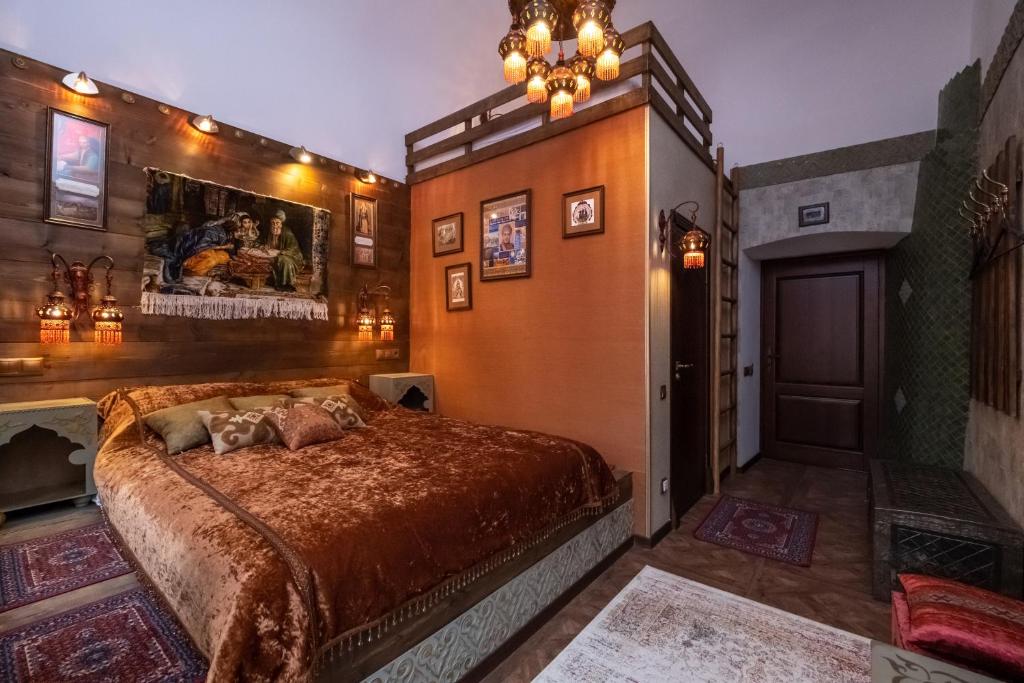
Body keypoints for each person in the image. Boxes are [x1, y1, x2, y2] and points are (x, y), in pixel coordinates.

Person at [163, 213, 241, 282]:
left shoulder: (223, 233)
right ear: (232, 231)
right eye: (236, 231)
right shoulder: (218, 232)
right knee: (211, 259)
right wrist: (224, 246)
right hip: (194, 245)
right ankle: (189, 268)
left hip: (203, 246)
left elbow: (213, 244)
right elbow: (205, 244)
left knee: (224, 256)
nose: (238, 233)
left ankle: (192, 268)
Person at [262, 209, 305, 291]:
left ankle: (285, 284)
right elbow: (261, 242)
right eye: (273, 223)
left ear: (281, 224)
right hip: (272, 254)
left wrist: (280, 252)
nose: (275, 226)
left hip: (291, 256)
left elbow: (293, 248)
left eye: (277, 223)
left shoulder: (287, 233)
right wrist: (264, 246)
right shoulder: (268, 232)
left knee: (283, 260)